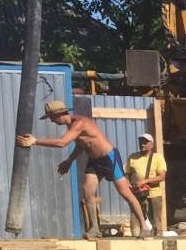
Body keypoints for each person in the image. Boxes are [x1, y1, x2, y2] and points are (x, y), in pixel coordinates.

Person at [18, 99, 146, 238]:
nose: (52, 121)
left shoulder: (79, 123)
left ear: (59, 115)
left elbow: (62, 143)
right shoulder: (72, 126)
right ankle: (94, 228)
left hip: (109, 158)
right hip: (94, 161)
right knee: (87, 191)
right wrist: (69, 160)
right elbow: (81, 144)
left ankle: (144, 227)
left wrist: (35, 141)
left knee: (125, 193)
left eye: (52, 118)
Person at [125, 131, 169, 237]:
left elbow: (162, 176)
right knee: (135, 215)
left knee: (156, 219)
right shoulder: (132, 157)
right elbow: (127, 174)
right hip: (138, 193)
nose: (142, 144)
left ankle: (157, 236)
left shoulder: (158, 158)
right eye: (140, 142)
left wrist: (145, 181)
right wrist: (128, 185)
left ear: (152, 145)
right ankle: (135, 236)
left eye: (145, 142)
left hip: (154, 193)